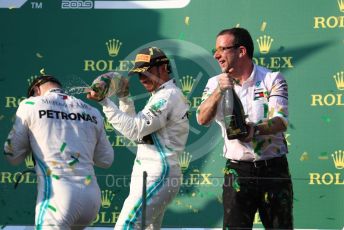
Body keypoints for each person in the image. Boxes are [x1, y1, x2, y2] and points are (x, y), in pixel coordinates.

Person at [197, 28, 293, 229]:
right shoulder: (214, 83)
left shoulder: (272, 79)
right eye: (215, 50)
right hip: (237, 171)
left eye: (222, 49)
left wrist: (254, 130)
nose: (216, 55)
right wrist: (219, 91)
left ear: (241, 51)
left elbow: (280, 121)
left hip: (273, 169)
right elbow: (202, 119)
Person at [87, 47, 189, 229]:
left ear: (164, 67)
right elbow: (137, 131)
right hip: (151, 174)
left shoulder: (167, 96)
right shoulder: (161, 95)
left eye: (147, 72)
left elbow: (135, 130)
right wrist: (124, 98)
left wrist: (104, 101)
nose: (142, 78)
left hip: (158, 174)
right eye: (139, 74)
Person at [4, 75, 114, 229]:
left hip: (58, 197)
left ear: (36, 90)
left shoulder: (30, 104)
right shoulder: (92, 110)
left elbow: (12, 156)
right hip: (91, 199)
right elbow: (106, 160)